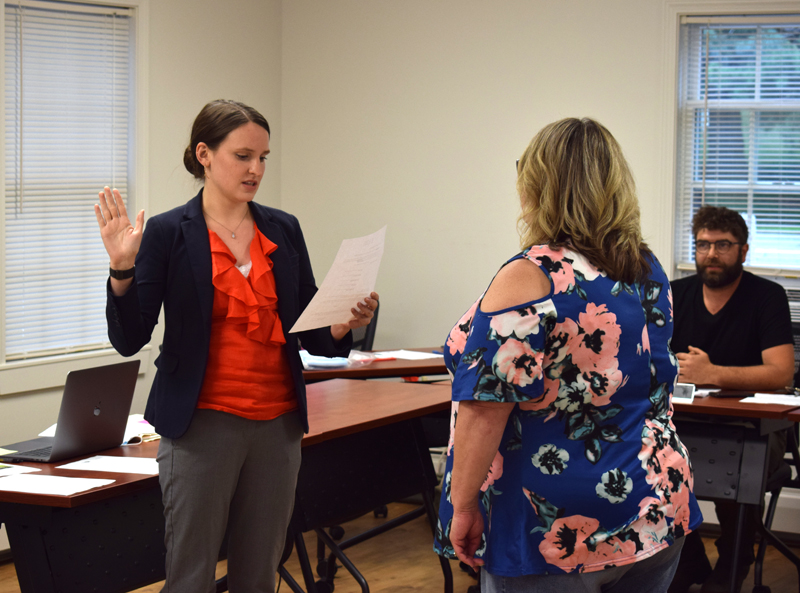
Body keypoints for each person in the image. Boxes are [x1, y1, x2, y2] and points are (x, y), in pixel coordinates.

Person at [94, 99, 378, 593]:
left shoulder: (282, 228)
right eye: (243, 155)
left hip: (279, 426)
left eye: (264, 158)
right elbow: (130, 338)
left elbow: (308, 328)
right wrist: (122, 269)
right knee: (191, 575)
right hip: (201, 425)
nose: (256, 170)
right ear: (204, 154)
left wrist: (341, 324)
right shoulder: (167, 232)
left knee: (258, 574)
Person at [433, 117, 701, 593]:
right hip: (654, 502)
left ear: (538, 184)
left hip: (556, 523)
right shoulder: (643, 265)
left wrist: (463, 505)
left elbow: (483, 409)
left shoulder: (529, 275)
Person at [668, 205, 794, 593]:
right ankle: (687, 560)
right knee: (656, 463)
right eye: (703, 244)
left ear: (743, 250)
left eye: (723, 244)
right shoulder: (675, 293)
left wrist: (714, 374)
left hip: (757, 428)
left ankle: (735, 559)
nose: (711, 253)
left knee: (737, 468)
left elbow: (781, 372)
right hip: (687, 420)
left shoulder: (767, 296)